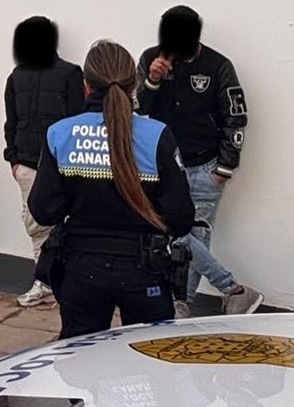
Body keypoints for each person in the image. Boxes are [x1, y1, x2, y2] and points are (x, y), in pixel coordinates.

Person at [27, 40, 197, 339]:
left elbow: (43, 210)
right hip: (144, 269)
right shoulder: (157, 135)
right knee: (149, 365)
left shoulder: (61, 133)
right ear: (134, 84)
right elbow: (181, 217)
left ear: (86, 86)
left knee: (80, 363)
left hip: (80, 268)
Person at [137, 7, 261, 316]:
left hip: (206, 167)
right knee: (175, 234)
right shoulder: (152, 59)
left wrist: (225, 167)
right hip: (164, 167)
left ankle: (181, 306)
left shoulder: (218, 66)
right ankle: (233, 290)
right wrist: (152, 81)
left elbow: (236, 116)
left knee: (193, 239)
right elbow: (137, 111)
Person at [3, 16, 84, 309]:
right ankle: (43, 281)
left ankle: (65, 281)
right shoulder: (17, 76)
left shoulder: (70, 74)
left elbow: (78, 120)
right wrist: (13, 158)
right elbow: (11, 121)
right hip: (25, 162)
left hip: (61, 165)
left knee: (64, 224)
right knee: (33, 222)